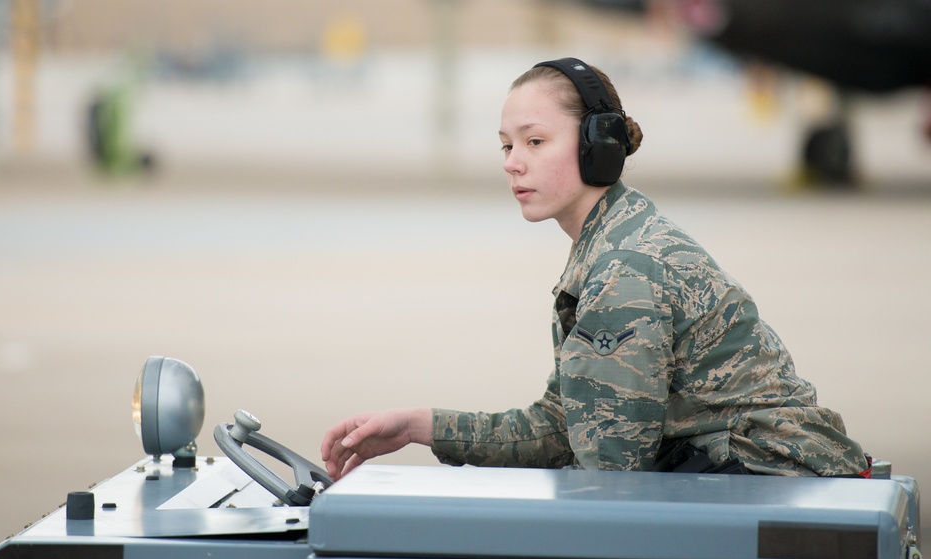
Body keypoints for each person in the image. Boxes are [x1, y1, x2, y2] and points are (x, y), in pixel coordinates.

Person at [321, 57, 869, 481]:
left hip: (772, 498)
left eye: (536, 142)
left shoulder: (624, 271)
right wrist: (418, 425)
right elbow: (561, 428)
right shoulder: (613, 240)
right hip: (757, 490)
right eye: (507, 145)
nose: (513, 161)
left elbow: (610, 475)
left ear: (596, 146)